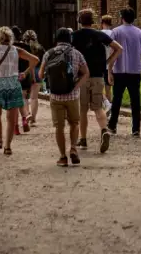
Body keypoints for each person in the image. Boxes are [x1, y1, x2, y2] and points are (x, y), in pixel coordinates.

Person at [72, 9, 124, 152]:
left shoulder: (74, 36)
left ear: (79, 21)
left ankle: (83, 140)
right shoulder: (99, 35)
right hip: (98, 76)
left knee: (82, 110)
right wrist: (107, 62)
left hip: (81, 77)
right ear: (93, 21)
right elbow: (119, 48)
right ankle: (104, 130)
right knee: (98, 107)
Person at [0, 27, 40, 155]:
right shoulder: (17, 50)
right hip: (14, 83)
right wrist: (25, 73)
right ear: (11, 38)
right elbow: (35, 60)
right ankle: (8, 147)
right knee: (11, 118)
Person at [43, 28, 89, 166]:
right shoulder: (77, 53)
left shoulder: (48, 53)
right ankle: (73, 148)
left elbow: (40, 75)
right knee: (74, 123)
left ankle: (63, 157)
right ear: (70, 39)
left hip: (56, 96)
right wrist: (76, 86)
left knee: (59, 127)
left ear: (56, 38)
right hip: (72, 95)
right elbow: (86, 73)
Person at [106, 8, 141, 138]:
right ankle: (136, 129)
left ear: (122, 17)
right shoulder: (140, 33)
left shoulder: (116, 32)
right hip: (135, 70)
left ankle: (112, 126)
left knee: (117, 100)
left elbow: (110, 51)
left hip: (119, 70)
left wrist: (109, 71)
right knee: (135, 100)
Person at [17, 28, 46, 127]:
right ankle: (33, 119)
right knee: (34, 98)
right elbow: (43, 61)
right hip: (38, 72)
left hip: (27, 72)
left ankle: (26, 115)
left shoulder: (23, 47)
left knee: (24, 96)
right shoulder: (40, 48)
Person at [100, 14, 115, 112]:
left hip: (100, 63)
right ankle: (110, 106)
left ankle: (106, 104)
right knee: (108, 87)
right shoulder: (113, 33)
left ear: (102, 23)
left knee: (99, 87)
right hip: (111, 63)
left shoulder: (99, 33)